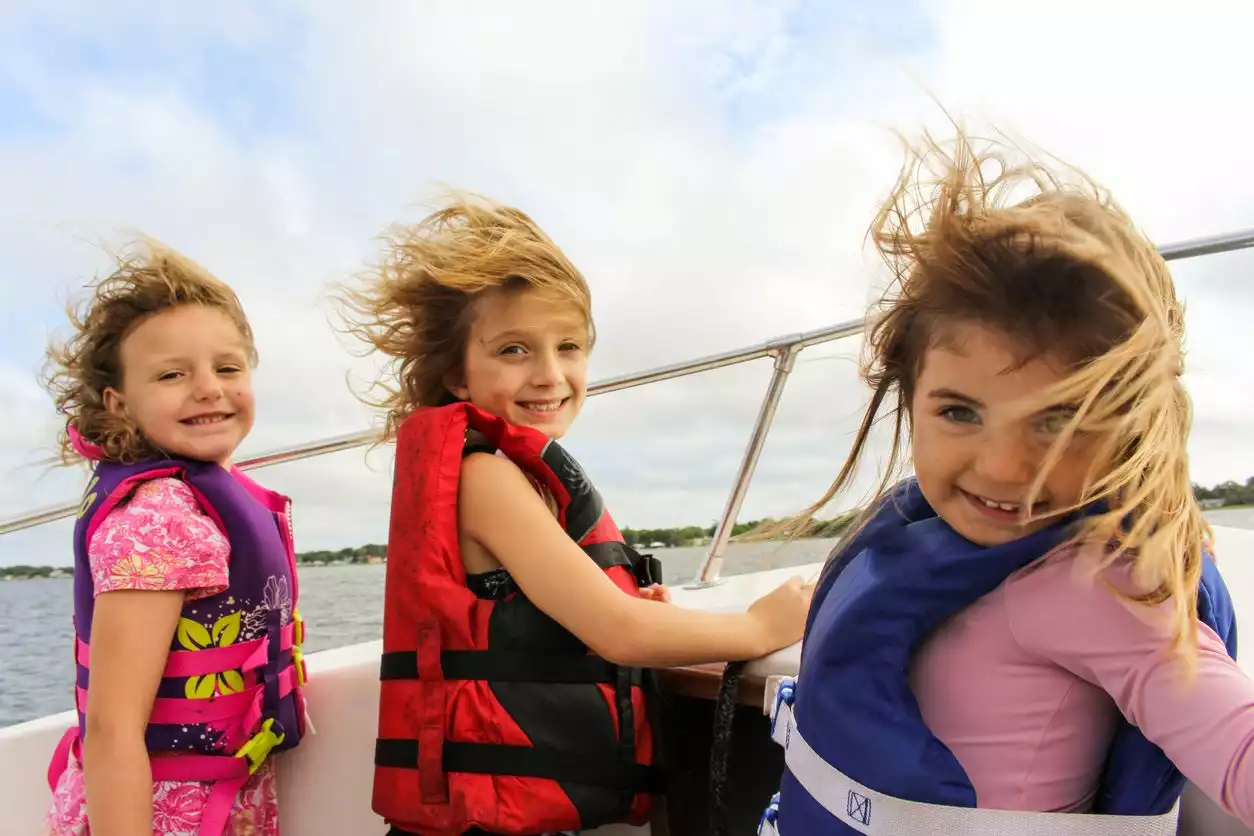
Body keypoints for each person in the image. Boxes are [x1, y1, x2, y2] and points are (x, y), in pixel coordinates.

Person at [759, 130, 1252, 835]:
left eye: (1059, 421)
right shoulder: (922, 540)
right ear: (910, 395)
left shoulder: (1098, 586)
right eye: (960, 412)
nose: (1003, 468)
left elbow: (1233, 741)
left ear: (1132, 427)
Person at [335, 194, 814, 835]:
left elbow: (570, 618)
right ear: (456, 373)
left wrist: (636, 609)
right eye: (513, 350)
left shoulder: (514, 474)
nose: (550, 374)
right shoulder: (485, 478)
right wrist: (759, 627)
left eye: (569, 346)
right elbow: (616, 631)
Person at [41, 240, 309, 836]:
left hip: (218, 798)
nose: (209, 388)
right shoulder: (157, 520)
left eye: (228, 367)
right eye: (171, 375)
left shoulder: (199, 497)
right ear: (120, 405)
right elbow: (112, 730)